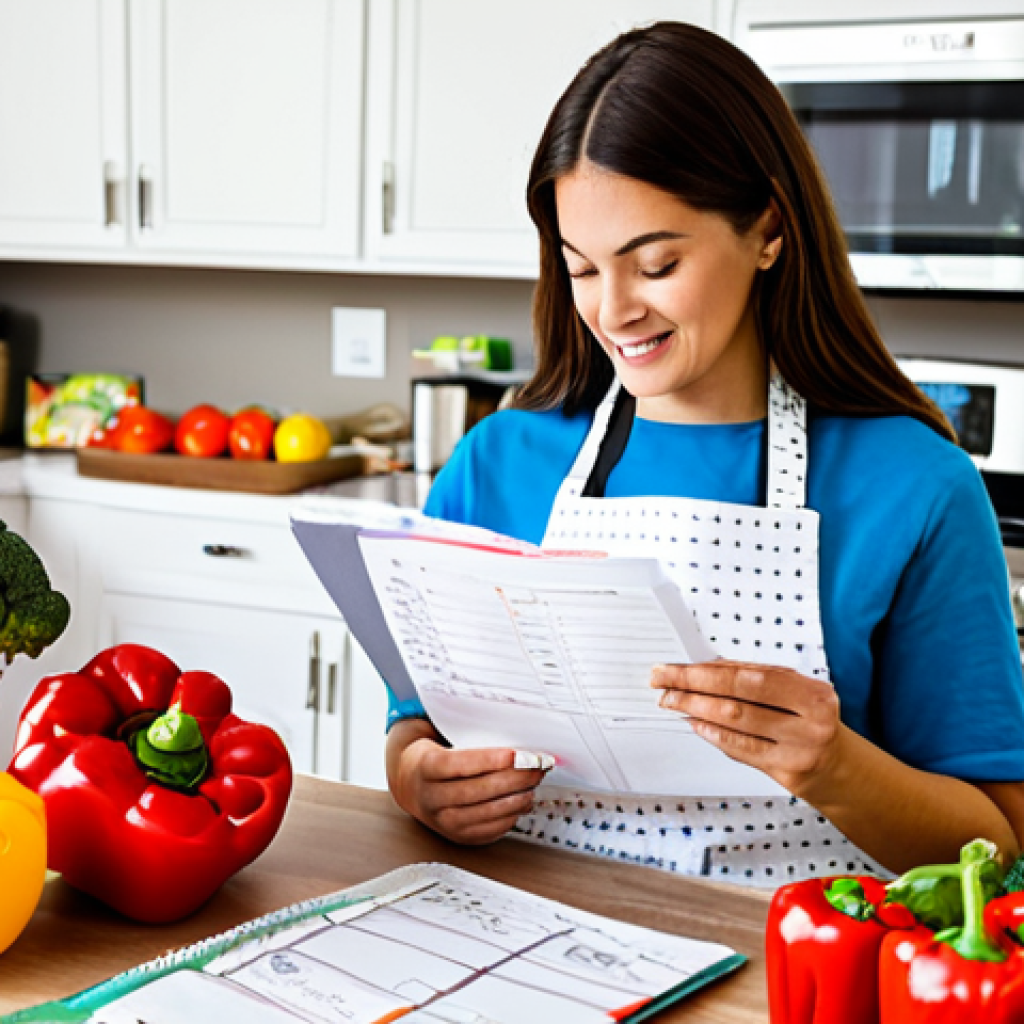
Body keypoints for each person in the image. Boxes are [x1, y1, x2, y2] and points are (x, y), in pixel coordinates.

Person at [385, 21, 1024, 885]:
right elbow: (415, 724)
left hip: (781, 975)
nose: (613, 311)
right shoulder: (496, 463)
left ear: (766, 229)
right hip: (529, 957)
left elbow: (998, 842)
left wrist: (835, 766)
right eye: (581, 268)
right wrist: (418, 780)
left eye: (654, 264)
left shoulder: (914, 487)